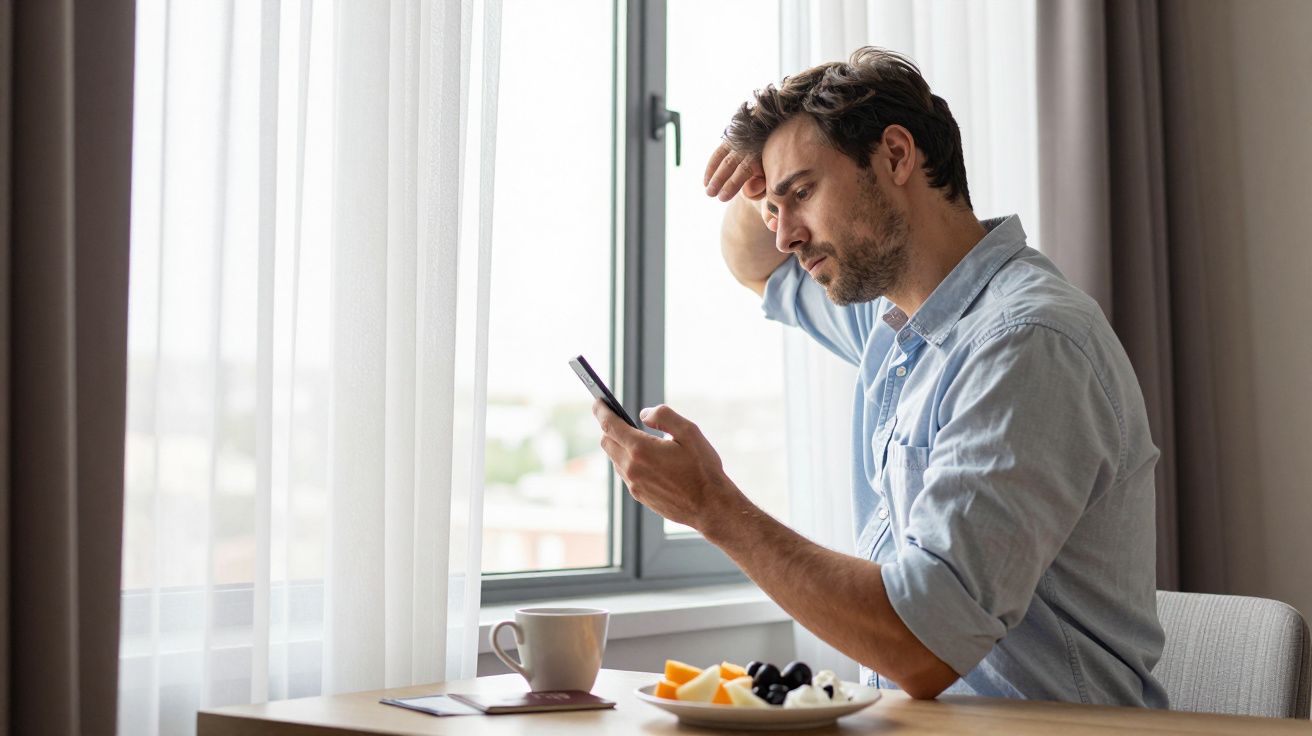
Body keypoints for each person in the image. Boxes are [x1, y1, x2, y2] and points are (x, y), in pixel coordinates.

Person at [591, 46, 1167, 706]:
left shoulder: (1025, 342)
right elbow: (752, 263)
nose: (785, 235)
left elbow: (925, 646)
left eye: (802, 194)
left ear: (896, 157)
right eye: (775, 208)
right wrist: (770, 168)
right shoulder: (892, 323)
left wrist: (712, 507)